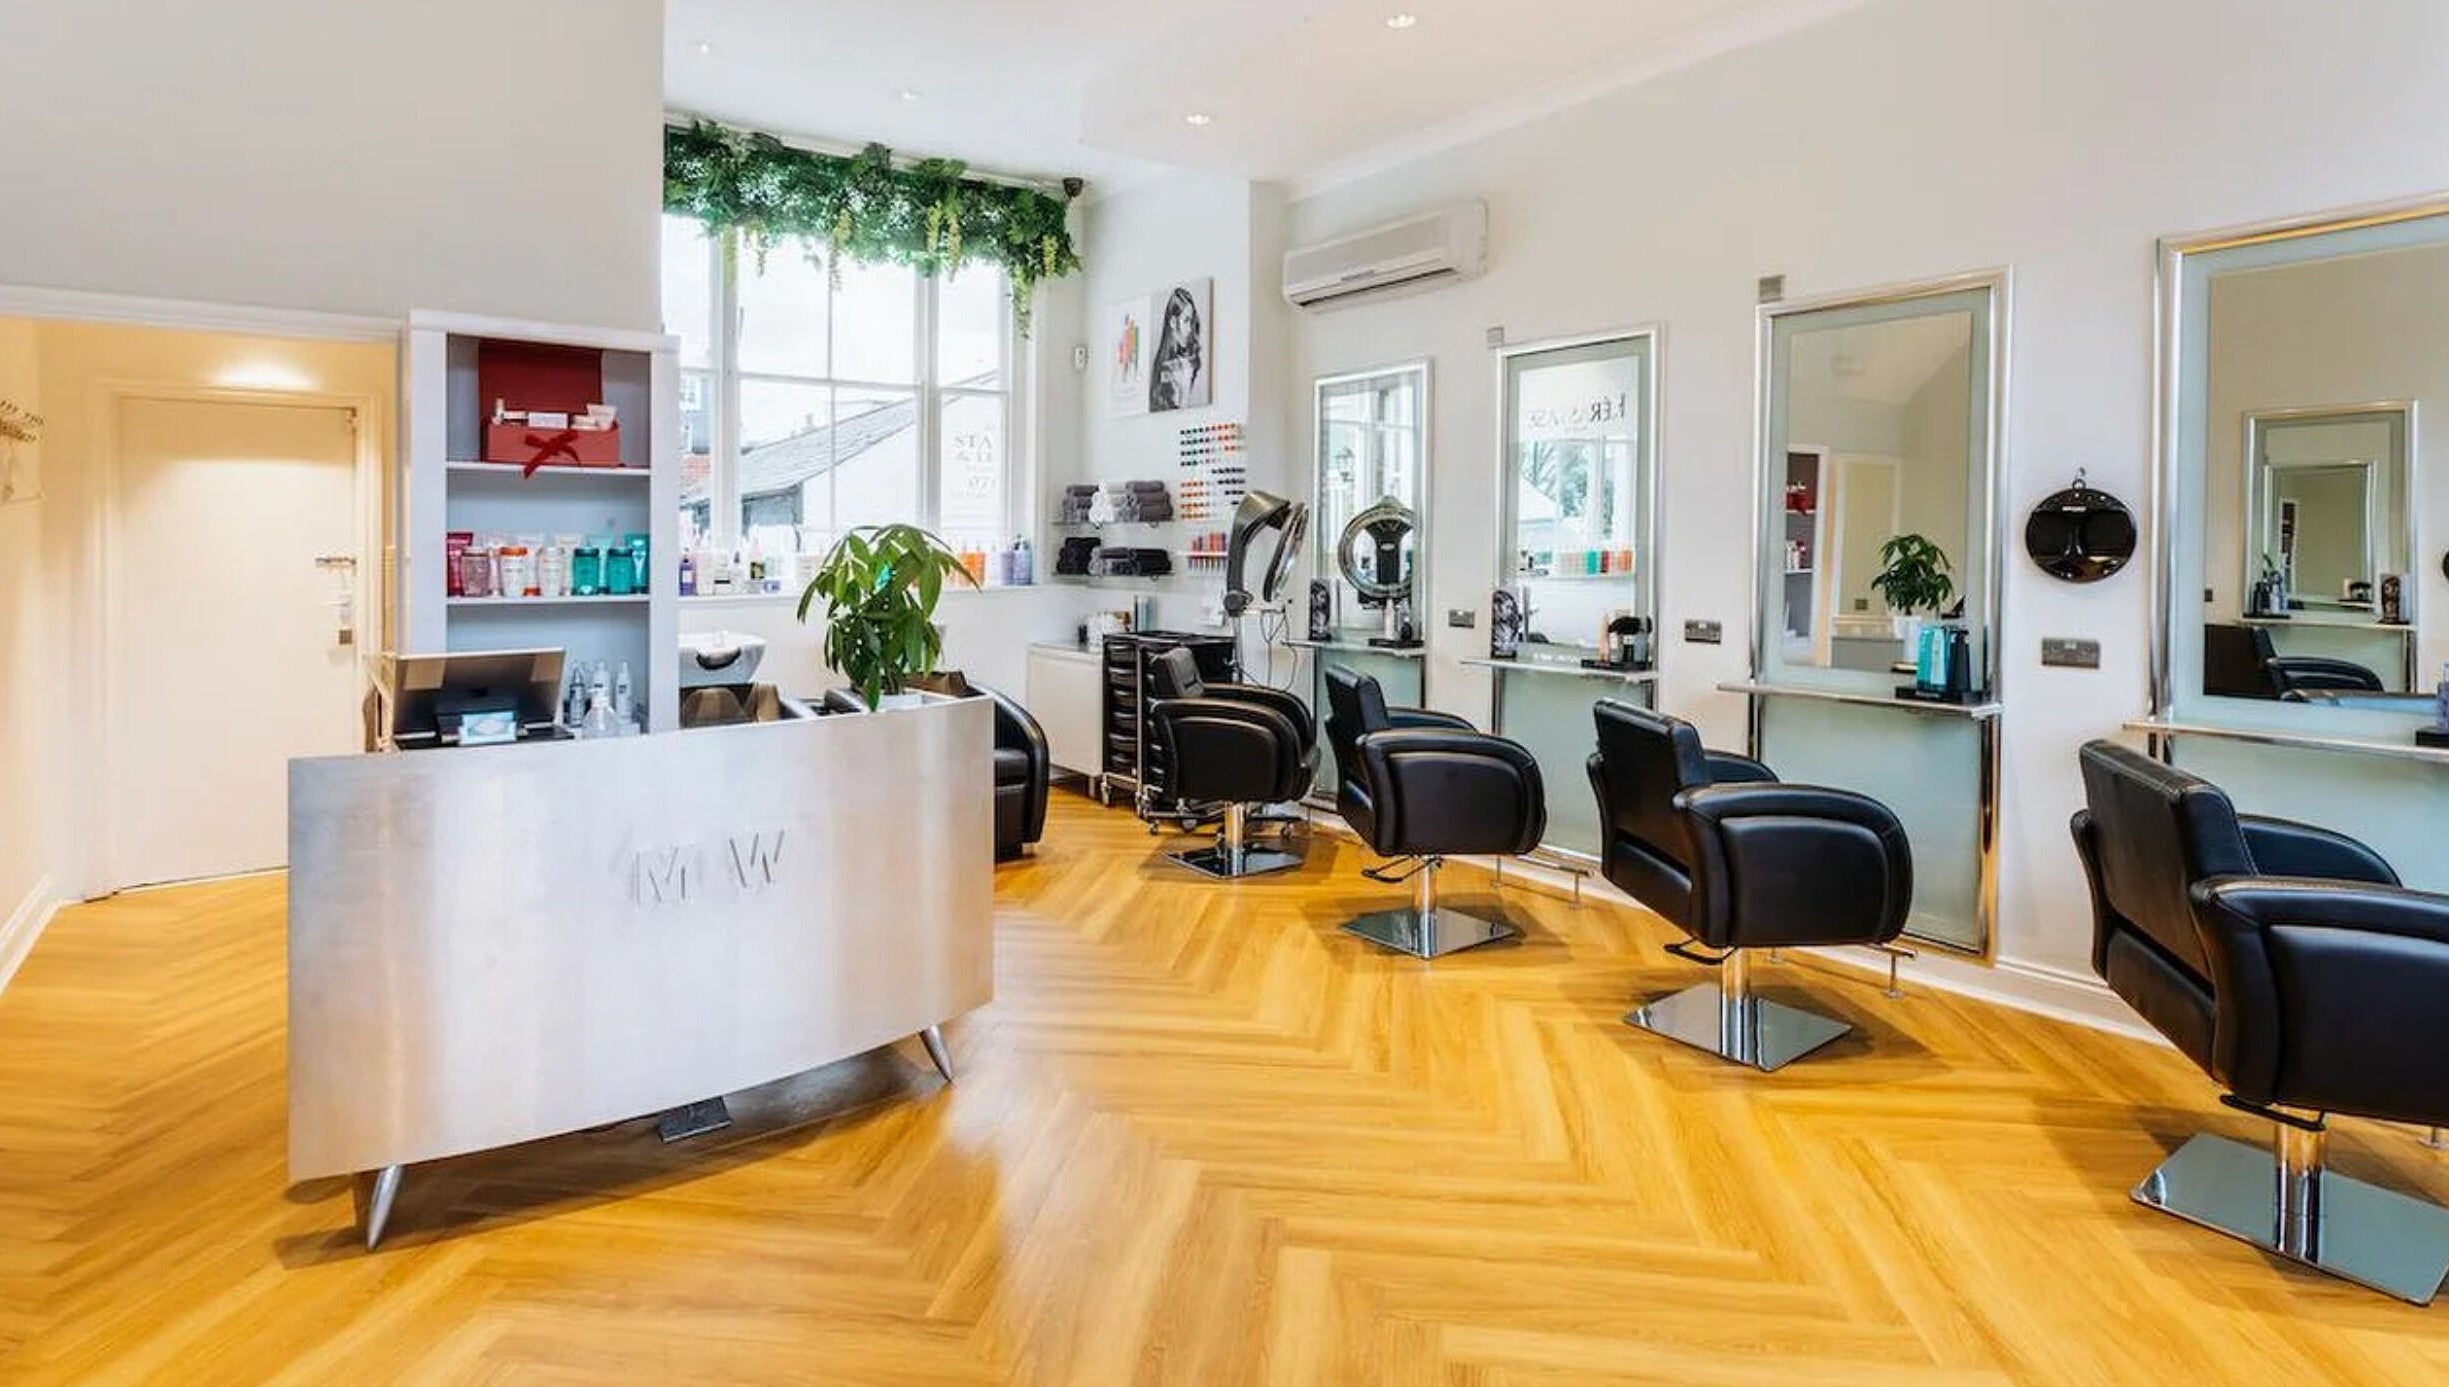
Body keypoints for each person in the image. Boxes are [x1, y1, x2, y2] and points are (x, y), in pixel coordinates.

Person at [1148, 286, 1205, 412]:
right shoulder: (1165, 365)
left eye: (1191, 321)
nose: (1190, 329)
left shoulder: (1188, 360)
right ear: (1173, 322)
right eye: (1186, 321)